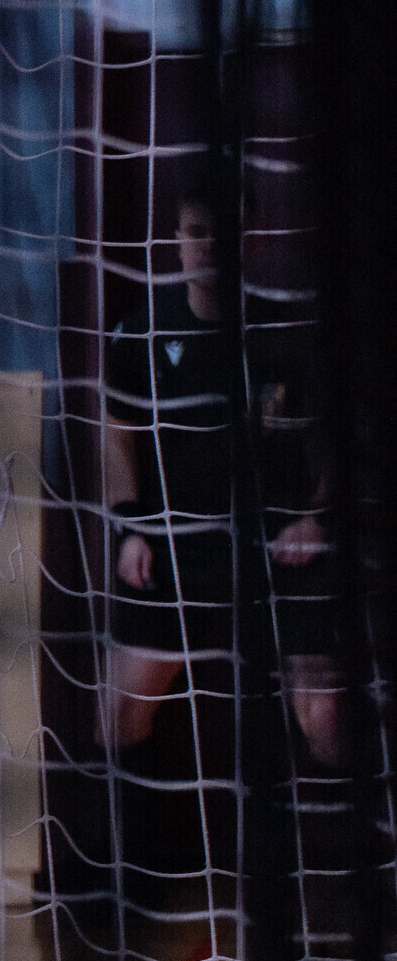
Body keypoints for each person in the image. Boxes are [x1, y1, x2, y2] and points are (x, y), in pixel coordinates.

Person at [100, 189, 345, 778]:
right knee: (116, 717)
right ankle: (142, 839)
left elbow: (347, 437)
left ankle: (338, 833)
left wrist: (317, 519)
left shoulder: (287, 332)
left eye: (225, 233)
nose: (210, 246)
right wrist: (130, 528)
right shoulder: (141, 332)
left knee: (328, 720)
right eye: (196, 232)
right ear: (177, 241)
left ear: (251, 241)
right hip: (174, 547)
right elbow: (115, 436)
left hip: (276, 548)